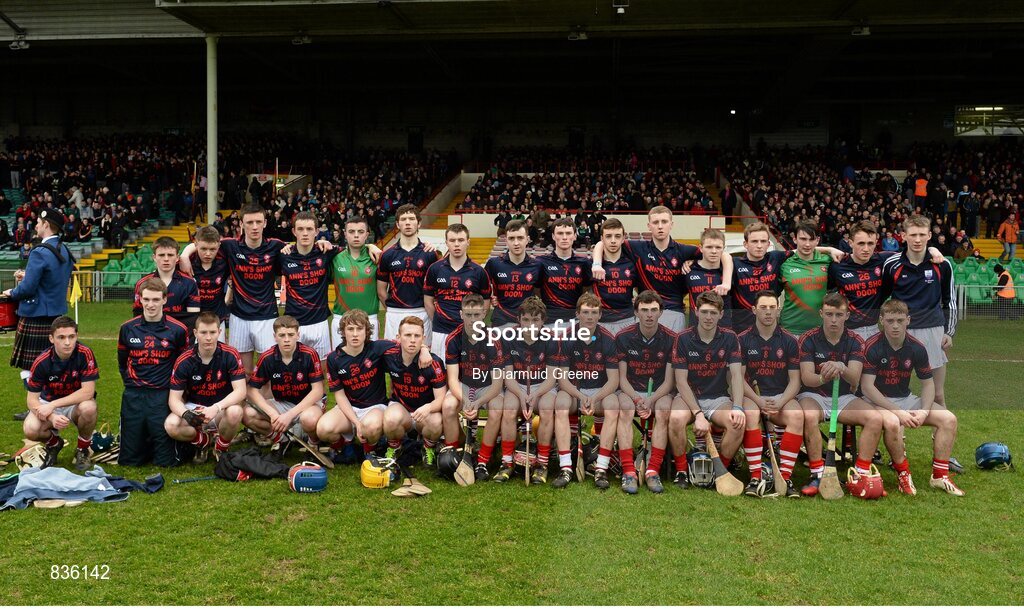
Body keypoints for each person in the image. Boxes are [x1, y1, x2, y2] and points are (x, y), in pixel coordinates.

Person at [860, 299, 964, 496]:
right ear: (881, 320)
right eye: (890, 321)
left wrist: (924, 411)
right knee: (893, 423)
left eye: (900, 320)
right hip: (876, 401)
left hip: (905, 398)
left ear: (908, 320)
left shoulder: (916, 347)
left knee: (949, 419)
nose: (895, 326)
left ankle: (939, 476)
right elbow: (867, 388)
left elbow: (928, 384)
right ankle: (904, 474)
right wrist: (898, 412)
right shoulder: (872, 346)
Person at [181, 204, 286, 374]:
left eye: (258, 222)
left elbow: (300, 249)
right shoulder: (230, 245)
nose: (254, 226)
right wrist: (185, 254)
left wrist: (321, 242)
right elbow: (205, 241)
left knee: (268, 367)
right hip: (239, 316)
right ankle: (244, 401)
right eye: (249, 222)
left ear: (265, 223)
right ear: (241, 224)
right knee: (241, 369)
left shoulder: (276, 245)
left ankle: (267, 400)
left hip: (266, 316)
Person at [593, 206, 732, 333]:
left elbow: (724, 254)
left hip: (674, 312)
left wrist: (725, 282)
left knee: (672, 356)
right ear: (649, 226)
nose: (660, 226)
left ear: (671, 224)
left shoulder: (683, 250)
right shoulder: (637, 248)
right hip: (646, 310)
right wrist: (597, 265)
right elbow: (601, 243)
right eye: (655, 222)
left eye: (664, 222)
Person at [796, 292, 883, 497]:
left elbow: (855, 379)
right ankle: (817, 473)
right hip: (813, 394)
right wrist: (824, 377)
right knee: (808, 416)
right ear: (821, 314)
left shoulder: (855, 340)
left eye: (838, 314)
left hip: (844, 397)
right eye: (829, 314)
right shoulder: (808, 339)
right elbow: (807, 378)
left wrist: (841, 367)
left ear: (847, 315)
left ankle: (860, 474)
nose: (833, 320)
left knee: (875, 419)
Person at [317, 309, 434, 460]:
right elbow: (339, 395)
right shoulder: (334, 358)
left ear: (367, 332)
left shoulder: (378, 348)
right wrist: (356, 422)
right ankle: (344, 448)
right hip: (348, 407)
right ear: (343, 332)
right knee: (323, 429)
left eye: (359, 329)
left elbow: (407, 342)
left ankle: (370, 451)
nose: (355, 334)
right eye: (350, 329)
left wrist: (424, 349)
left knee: (370, 428)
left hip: (375, 407)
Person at [671, 292, 748, 492]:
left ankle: (720, 469)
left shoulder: (730, 337)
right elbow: (680, 381)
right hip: (688, 397)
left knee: (737, 423)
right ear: (695, 312)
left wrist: (738, 407)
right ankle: (681, 471)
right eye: (704, 312)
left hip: (718, 398)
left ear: (721, 314)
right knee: (676, 419)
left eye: (713, 313)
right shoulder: (683, 338)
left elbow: (737, 376)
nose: (708, 317)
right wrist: (698, 414)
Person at [881, 214, 957, 412]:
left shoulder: (942, 264)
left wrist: (949, 332)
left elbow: (950, 301)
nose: (917, 239)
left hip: (932, 331)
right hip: (899, 332)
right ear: (903, 236)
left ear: (929, 235)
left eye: (922, 234)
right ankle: (898, 437)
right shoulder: (892, 264)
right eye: (912, 235)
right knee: (894, 391)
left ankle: (941, 435)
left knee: (938, 394)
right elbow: (881, 297)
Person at [4, 208, 74, 421]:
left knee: (30, 367)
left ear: (46, 224)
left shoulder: (39, 252)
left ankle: (37, 407)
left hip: (35, 315)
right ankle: (47, 404)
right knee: (49, 364)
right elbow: (51, 280)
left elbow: (27, 290)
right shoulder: (64, 249)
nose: (35, 225)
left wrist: (12, 292)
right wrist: (28, 277)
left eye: (38, 222)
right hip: (56, 315)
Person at [117, 278, 190, 467]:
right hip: (134, 393)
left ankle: (190, 446)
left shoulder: (178, 330)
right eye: (146, 299)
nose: (151, 305)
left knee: (165, 462)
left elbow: (183, 366)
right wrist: (132, 383)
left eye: (156, 300)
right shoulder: (127, 328)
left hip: (162, 394)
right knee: (130, 461)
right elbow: (122, 362)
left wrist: (177, 394)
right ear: (140, 299)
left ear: (165, 300)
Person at [738, 291, 804, 498]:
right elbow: (738, 379)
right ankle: (755, 476)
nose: (768, 312)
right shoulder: (742, 340)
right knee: (749, 414)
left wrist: (781, 401)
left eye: (772, 308)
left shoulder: (790, 341)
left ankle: (785, 476)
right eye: (763, 308)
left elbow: (795, 380)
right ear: (754, 310)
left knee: (797, 416)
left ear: (779, 310)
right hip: (752, 396)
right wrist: (758, 400)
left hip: (781, 397)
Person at [615, 290, 676, 494]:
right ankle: (628, 470)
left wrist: (651, 400)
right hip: (630, 389)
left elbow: (669, 381)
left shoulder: (671, 338)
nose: (649, 315)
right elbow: (621, 378)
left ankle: (652, 470)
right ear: (636, 312)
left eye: (653, 310)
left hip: (658, 391)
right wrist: (636, 398)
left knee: (665, 409)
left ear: (660, 313)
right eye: (644, 310)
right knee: (623, 408)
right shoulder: (623, 337)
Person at [558, 293, 620, 490]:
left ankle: (601, 467)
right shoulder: (566, 336)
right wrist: (582, 396)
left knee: (613, 405)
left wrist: (595, 397)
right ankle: (565, 466)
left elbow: (614, 380)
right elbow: (562, 378)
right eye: (585, 312)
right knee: (560, 404)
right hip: (574, 391)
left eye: (594, 312)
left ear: (600, 315)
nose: (590, 317)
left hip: (600, 391)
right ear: (577, 314)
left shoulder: (609, 339)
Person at [497, 296, 563, 485]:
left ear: (543, 321)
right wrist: (522, 395)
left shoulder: (551, 340)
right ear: (519, 320)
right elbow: (507, 376)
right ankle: (507, 461)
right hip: (516, 385)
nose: (530, 324)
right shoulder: (508, 337)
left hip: (543, 387)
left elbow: (552, 378)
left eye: (535, 320)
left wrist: (534, 395)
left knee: (547, 409)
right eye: (526, 319)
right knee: (508, 409)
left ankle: (542, 463)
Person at [166, 312, 246, 464]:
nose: (208, 337)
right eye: (203, 332)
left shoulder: (230, 354)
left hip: (220, 409)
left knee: (236, 411)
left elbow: (241, 391)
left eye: (212, 332)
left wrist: (216, 407)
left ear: (219, 332)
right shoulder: (184, 360)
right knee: (171, 425)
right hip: (195, 408)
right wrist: (186, 414)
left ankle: (221, 447)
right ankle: (203, 442)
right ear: (195, 333)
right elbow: (173, 400)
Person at [442, 294, 505, 481]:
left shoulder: (493, 339)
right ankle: (454, 453)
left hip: (488, 387)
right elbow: (452, 379)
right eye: (468, 315)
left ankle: (483, 461)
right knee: (448, 406)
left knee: (496, 408)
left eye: (476, 315)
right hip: (464, 384)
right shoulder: (453, 338)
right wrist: (466, 399)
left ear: (484, 314)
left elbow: (497, 383)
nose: (472, 320)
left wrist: (477, 403)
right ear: (461, 314)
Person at [23, 316, 99, 471]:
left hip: (73, 403)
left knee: (89, 408)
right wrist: (51, 415)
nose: (67, 342)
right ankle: (54, 444)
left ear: (77, 336)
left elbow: (88, 391)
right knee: (30, 429)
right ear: (51, 338)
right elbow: (32, 400)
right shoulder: (41, 361)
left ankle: (82, 449)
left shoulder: (85, 353)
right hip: (48, 403)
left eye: (71, 337)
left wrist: (53, 405)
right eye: (61, 337)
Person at [243, 315, 326, 455]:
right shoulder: (267, 357)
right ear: (275, 336)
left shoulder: (309, 354)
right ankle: (281, 440)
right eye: (282, 335)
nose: (286, 339)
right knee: (247, 414)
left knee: (309, 419)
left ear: (298, 335)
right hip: (281, 403)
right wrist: (272, 413)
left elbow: (318, 391)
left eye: (291, 334)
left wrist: (290, 415)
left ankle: (313, 444)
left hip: (308, 404)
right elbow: (251, 390)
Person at [381, 317, 448, 466]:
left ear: (423, 338)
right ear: (398, 337)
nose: (412, 340)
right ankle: (395, 447)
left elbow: (441, 398)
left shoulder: (434, 363)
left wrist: (429, 407)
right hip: (401, 407)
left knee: (437, 422)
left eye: (417, 336)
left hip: (425, 412)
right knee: (390, 419)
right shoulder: (388, 355)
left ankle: (428, 447)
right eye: (407, 335)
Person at [376, 204, 441, 346]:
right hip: (394, 313)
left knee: (424, 355)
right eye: (403, 219)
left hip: (422, 312)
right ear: (398, 224)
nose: (407, 222)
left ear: (419, 223)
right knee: (393, 356)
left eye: (411, 219)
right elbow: (381, 291)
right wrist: (393, 309)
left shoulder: (430, 253)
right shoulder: (387, 254)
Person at [423, 223, 491, 358]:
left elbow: (485, 303)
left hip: (469, 331)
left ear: (468, 242)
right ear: (446, 243)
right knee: (441, 372)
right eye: (452, 240)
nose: (457, 244)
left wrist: (473, 323)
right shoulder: (435, 269)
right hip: (441, 330)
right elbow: (428, 301)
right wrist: (438, 319)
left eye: (461, 240)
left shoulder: (479, 271)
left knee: (467, 374)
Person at [281, 211, 339, 360]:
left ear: (317, 231)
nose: (305, 233)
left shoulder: (325, 252)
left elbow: (354, 249)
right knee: (293, 371)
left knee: (321, 372)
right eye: (300, 229)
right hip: (293, 324)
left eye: (309, 229)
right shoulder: (283, 255)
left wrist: (371, 246)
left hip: (320, 323)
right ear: (294, 231)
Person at [484, 219, 543, 329]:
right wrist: (490, 297)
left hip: (527, 321)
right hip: (501, 320)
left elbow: (540, 293)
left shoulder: (537, 265)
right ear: (506, 240)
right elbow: (481, 288)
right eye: (511, 238)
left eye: (520, 238)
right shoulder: (494, 263)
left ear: (528, 239)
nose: (516, 243)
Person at [133, 236, 200, 331]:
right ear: (154, 257)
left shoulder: (189, 283)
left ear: (177, 258)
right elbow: (137, 315)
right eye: (161, 255)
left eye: (170, 255)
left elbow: (193, 317)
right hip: (150, 334)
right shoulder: (142, 283)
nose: (166, 259)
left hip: (179, 335)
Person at [536, 218, 593, 329]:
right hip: (549, 322)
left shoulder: (584, 263)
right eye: (560, 233)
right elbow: (536, 290)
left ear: (575, 236)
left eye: (568, 233)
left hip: (576, 322)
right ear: (553, 236)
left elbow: (586, 289)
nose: (564, 237)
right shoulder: (541, 262)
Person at [330, 215, 380, 344]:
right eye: (351, 232)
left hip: (370, 318)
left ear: (367, 234)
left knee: (370, 362)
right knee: (340, 361)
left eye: (361, 232)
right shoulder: (335, 258)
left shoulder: (376, 258)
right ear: (345, 234)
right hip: (341, 318)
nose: (356, 235)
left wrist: (370, 246)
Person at [780, 220, 832, 336]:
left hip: (820, 330)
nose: (807, 244)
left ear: (817, 240)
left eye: (811, 239)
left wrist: (831, 250)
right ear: (795, 239)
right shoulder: (784, 265)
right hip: (790, 329)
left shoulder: (828, 261)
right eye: (803, 239)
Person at [593, 218, 637, 337]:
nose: (613, 241)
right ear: (602, 239)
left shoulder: (632, 265)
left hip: (627, 320)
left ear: (623, 239)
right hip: (600, 321)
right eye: (608, 236)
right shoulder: (592, 265)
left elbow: (640, 290)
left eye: (617, 236)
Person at [682, 229, 733, 328]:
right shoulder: (688, 270)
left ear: (724, 248)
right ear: (701, 248)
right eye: (709, 247)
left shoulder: (730, 270)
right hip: (696, 329)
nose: (714, 251)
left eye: (718, 247)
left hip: (724, 331)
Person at [188, 226, 231, 340]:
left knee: (217, 355)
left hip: (217, 319)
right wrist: (184, 256)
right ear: (196, 244)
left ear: (219, 246)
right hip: (193, 319)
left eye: (212, 249)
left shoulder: (225, 262)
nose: (208, 253)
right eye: (203, 249)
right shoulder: (187, 262)